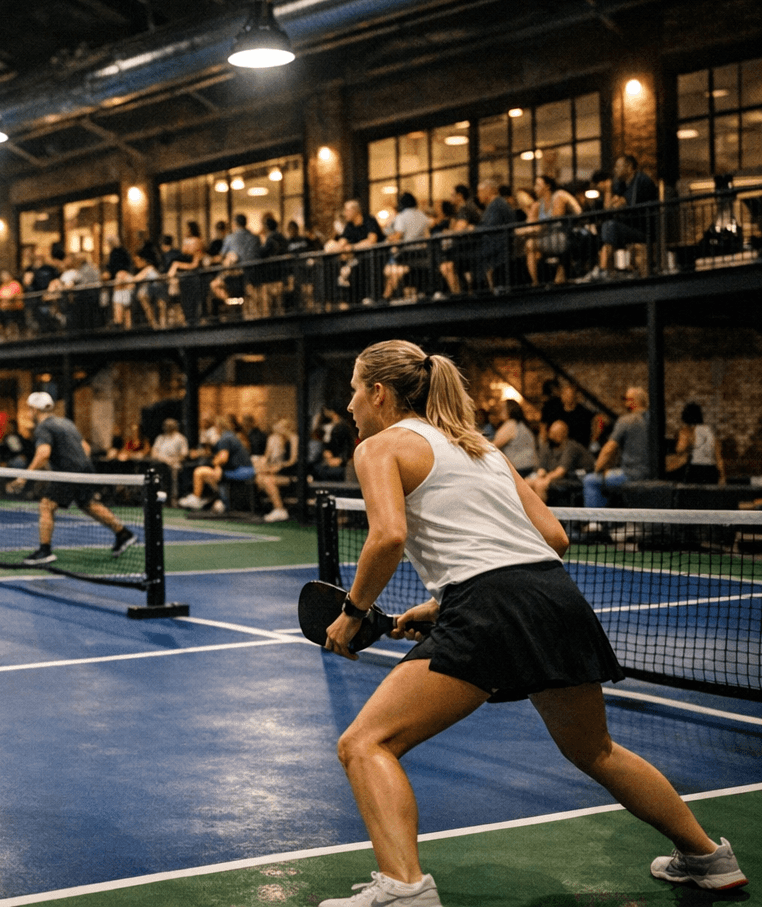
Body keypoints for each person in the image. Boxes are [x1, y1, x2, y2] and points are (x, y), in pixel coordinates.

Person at [317, 340, 745, 907]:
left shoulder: (379, 446)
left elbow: (388, 536)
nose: (349, 405)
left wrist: (352, 614)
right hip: (555, 597)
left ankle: (403, 889)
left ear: (379, 392)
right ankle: (708, 859)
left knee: (365, 743)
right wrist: (443, 604)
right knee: (595, 750)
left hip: (489, 606)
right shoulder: (482, 449)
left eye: (352, 390)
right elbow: (554, 538)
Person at [11, 392, 137, 565]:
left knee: (46, 506)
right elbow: (85, 447)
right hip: (85, 468)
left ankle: (44, 551)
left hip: (68, 472)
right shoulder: (66, 423)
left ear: (34, 409)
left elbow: (43, 453)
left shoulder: (43, 428)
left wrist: (24, 477)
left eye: (29, 409)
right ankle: (123, 533)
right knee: (88, 504)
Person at [583, 387, 652, 508]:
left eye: (626, 399)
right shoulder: (653, 419)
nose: (625, 403)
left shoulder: (626, 420)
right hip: (650, 472)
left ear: (632, 401)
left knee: (590, 480)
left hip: (631, 474)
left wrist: (597, 469)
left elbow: (609, 449)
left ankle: (595, 522)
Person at [178, 415, 256, 513]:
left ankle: (197, 499)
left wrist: (216, 463)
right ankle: (223, 500)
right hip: (245, 470)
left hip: (240, 472)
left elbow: (223, 458)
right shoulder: (231, 436)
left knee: (200, 472)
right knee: (212, 476)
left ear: (219, 426)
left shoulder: (225, 438)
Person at [527, 419, 596, 504]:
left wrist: (544, 479)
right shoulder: (549, 446)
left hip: (575, 478)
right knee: (526, 483)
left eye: (556, 434)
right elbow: (541, 467)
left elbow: (560, 472)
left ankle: (540, 515)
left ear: (564, 433)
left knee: (540, 485)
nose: (552, 436)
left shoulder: (571, 447)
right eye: (551, 433)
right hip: (558, 477)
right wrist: (540, 473)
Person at [667, 402, 725, 485]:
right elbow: (718, 457)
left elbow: (680, 449)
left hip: (695, 471)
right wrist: (722, 476)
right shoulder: (709, 431)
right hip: (712, 471)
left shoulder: (686, 431)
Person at [254, 417, 298, 522]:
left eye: (281, 428)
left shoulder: (294, 438)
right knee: (259, 478)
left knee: (268, 480)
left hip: (294, 475)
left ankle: (280, 510)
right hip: (283, 472)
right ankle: (263, 509)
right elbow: (268, 456)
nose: (279, 430)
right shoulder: (281, 439)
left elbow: (292, 461)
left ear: (287, 428)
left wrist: (277, 468)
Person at [491, 399, 538, 476]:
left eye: (502, 408)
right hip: (530, 466)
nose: (499, 411)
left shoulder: (511, 424)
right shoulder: (522, 424)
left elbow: (494, 445)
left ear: (510, 410)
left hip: (519, 468)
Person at [151, 418, 189, 504]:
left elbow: (184, 454)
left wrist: (173, 460)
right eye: (165, 425)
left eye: (169, 425)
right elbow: (154, 452)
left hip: (174, 464)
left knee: (171, 472)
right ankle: (158, 498)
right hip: (160, 463)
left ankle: (172, 499)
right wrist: (164, 459)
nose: (167, 427)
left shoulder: (180, 438)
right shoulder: (160, 438)